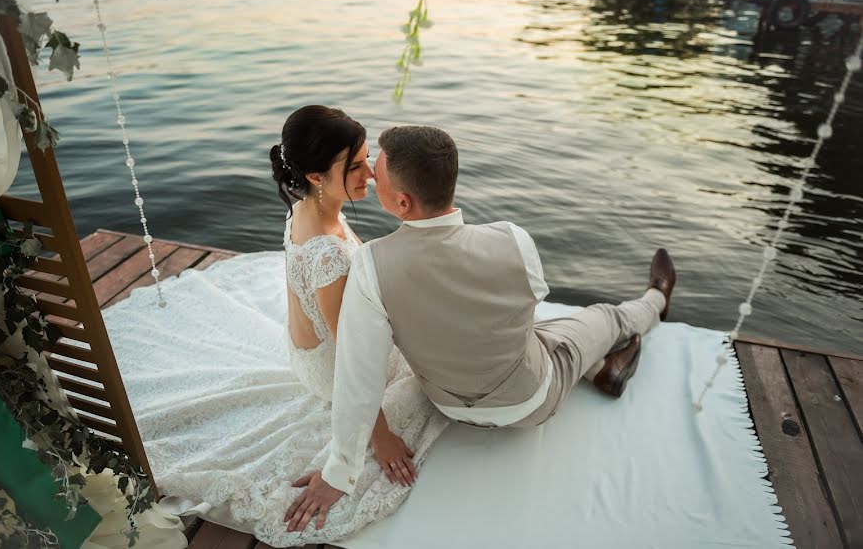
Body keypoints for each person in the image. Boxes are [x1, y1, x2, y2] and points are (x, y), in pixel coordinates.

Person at [284, 125, 677, 532]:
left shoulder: (370, 265)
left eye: (375, 174)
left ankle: (603, 366)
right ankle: (656, 300)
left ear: (401, 202)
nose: (368, 175)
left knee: (545, 333)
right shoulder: (513, 239)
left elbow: (356, 375)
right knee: (600, 319)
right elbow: (529, 302)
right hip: (529, 402)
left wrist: (339, 473)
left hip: (447, 404)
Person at [104, 107, 448, 548]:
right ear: (317, 176)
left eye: (365, 159)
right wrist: (379, 440)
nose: (372, 175)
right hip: (332, 368)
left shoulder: (310, 208)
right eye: (356, 165)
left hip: (304, 353)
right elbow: (352, 362)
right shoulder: (327, 257)